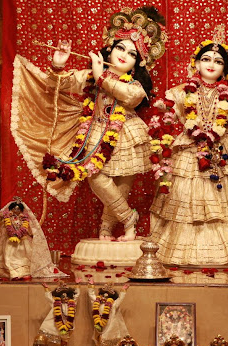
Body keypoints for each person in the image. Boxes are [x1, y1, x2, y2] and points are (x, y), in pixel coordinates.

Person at [11, 7, 167, 241]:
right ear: (110, 49)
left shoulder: (134, 85)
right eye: (120, 48)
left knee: (122, 184)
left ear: (137, 64)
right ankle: (128, 218)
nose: (124, 55)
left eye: (132, 54)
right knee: (96, 177)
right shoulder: (91, 76)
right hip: (96, 133)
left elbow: (129, 97)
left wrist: (102, 76)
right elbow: (57, 85)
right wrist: (58, 65)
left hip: (128, 134)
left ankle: (108, 228)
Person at [149, 25, 228, 265]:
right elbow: (168, 118)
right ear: (196, 64)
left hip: (222, 151)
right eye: (206, 59)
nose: (211, 64)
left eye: (218, 61)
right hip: (189, 150)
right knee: (186, 201)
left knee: (224, 205)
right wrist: (164, 113)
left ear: (225, 69)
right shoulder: (180, 92)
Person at [0, 197, 59, 279]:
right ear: (11, 209)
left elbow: (29, 228)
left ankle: (23, 271)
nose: (16, 211)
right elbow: (1, 226)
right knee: (8, 255)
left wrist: (29, 233)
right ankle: (10, 271)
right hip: (10, 241)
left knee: (23, 257)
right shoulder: (8, 218)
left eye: (18, 209)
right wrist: (1, 218)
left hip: (22, 241)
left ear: (21, 210)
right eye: (14, 209)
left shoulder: (24, 219)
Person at [88, 281, 130, 346]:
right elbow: (91, 296)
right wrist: (91, 286)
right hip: (99, 325)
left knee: (110, 345)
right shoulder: (97, 302)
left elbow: (120, 300)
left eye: (106, 296)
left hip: (110, 327)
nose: (104, 298)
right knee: (99, 342)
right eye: (103, 295)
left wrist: (123, 291)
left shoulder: (113, 305)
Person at [39, 281, 80, 346]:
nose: (65, 298)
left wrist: (77, 285)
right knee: (58, 343)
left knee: (65, 341)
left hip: (68, 325)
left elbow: (76, 296)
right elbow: (49, 298)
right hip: (57, 325)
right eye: (63, 296)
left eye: (67, 296)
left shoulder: (72, 303)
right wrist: (46, 288)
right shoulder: (56, 303)